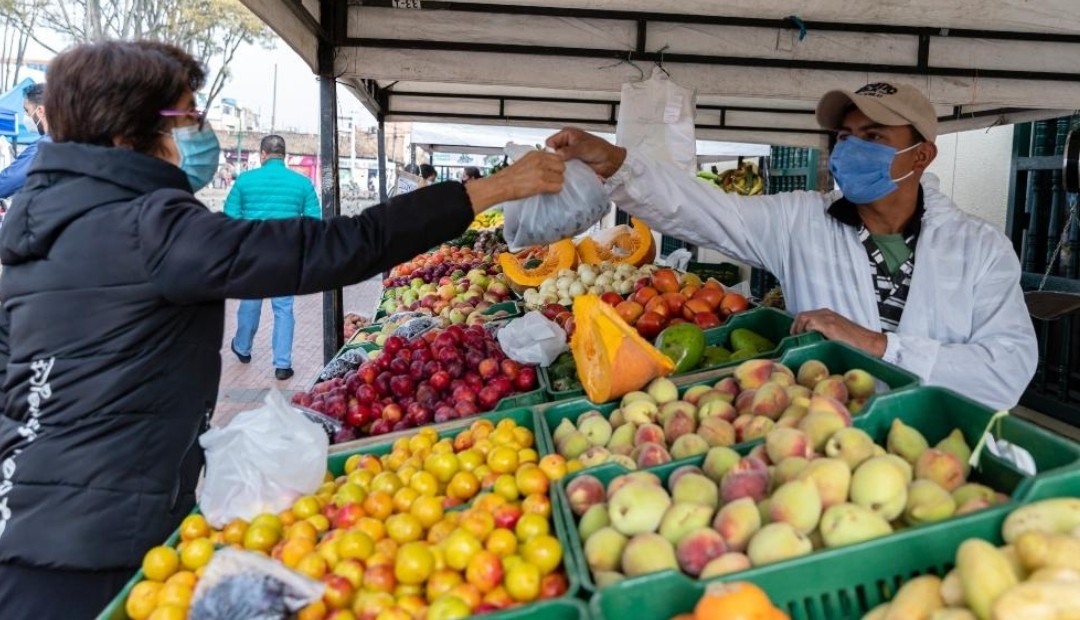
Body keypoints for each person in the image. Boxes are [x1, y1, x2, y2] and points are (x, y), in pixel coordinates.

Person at [0, 40, 564, 617]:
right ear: (129, 131)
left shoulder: (41, 221)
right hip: (93, 547)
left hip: (30, 521)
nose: (199, 132)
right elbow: (333, 249)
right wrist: (489, 190)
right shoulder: (147, 227)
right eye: (187, 115)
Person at [547, 81, 1037, 410]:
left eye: (873, 135)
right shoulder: (803, 220)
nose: (850, 149)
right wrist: (615, 163)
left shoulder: (980, 248)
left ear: (922, 155)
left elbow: (1008, 370)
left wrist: (877, 345)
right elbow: (702, 208)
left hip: (944, 452)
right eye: (844, 135)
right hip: (824, 445)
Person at [225, 134, 321, 381]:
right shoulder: (302, 183)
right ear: (285, 156)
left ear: (262, 154)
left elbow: (230, 218)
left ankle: (243, 348)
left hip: (253, 253)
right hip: (286, 254)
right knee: (284, 308)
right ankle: (282, 364)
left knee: (250, 302)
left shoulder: (245, 181)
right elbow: (313, 223)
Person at [0, 83, 49, 200]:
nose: (26, 117)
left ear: (40, 111)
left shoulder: (44, 147)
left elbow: (7, 182)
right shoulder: (73, 139)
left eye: (27, 111)